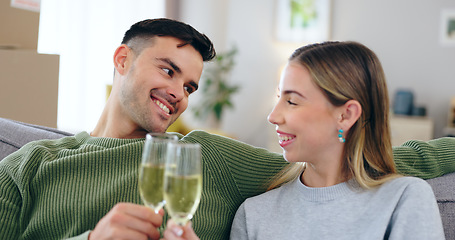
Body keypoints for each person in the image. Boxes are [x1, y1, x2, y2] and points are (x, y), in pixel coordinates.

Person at [0, 18, 453, 240]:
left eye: (190, 85)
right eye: (168, 69)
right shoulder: (29, 165)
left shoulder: (206, 156)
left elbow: (343, 156)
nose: (179, 92)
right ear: (123, 60)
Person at [226, 41, 445, 239]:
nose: (273, 116)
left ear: (346, 115)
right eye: (279, 98)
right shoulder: (253, 215)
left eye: (292, 101)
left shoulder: (404, 199)